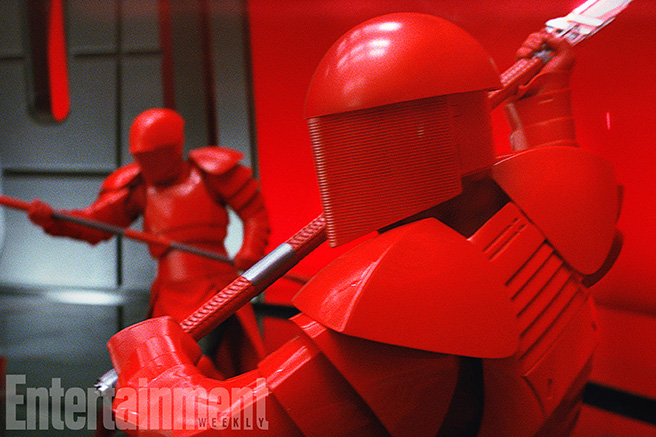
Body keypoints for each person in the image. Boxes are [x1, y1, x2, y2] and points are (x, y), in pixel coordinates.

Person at [105, 14, 622, 435]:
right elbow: (554, 165)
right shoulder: (545, 213)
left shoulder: (410, 284)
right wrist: (545, 103)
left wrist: (150, 358)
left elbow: (221, 426)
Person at [29, 108, 270, 376]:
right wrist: (54, 219)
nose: (148, 165)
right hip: (168, 293)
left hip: (215, 288)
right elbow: (96, 223)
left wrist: (251, 249)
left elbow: (254, 213)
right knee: (170, 360)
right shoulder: (139, 186)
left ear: (175, 148)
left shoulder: (210, 173)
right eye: (141, 158)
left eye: (155, 156)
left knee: (202, 360)